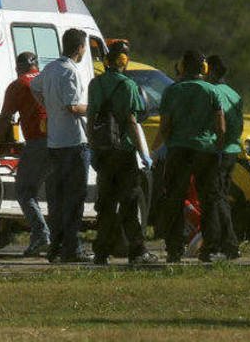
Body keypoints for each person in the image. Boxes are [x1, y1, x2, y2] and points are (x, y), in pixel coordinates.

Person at [87, 41, 157, 265]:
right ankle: (137, 250)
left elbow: (91, 118)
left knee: (106, 203)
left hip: (103, 152)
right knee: (130, 201)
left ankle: (101, 252)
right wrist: (143, 152)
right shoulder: (128, 86)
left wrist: (93, 146)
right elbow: (132, 121)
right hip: (124, 152)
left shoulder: (95, 84)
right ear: (123, 61)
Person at [153, 50, 225, 263]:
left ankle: (174, 249)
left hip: (179, 150)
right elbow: (220, 126)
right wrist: (218, 149)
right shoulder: (213, 91)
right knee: (209, 200)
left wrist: (158, 148)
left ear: (183, 67)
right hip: (206, 151)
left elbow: (165, 126)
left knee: (174, 199)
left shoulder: (172, 91)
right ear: (204, 69)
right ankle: (209, 249)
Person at [30, 28, 91, 263]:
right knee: (75, 197)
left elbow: (35, 87)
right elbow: (73, 107)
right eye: (84, 46)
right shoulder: (70, 71)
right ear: (79, 48)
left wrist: (48, 106)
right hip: (74, 141)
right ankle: (72, 248)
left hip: (55, 141)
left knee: (58, 197)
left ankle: (56, 246)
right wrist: (95, 108)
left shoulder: (50, 68)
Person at [0, 51, 50, 257]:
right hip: (62, 142)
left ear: (18, 67)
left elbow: (4, 119)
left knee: (24, 191)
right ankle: (53, 240)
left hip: (37, 142)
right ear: (36, 66)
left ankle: (42, 233)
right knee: (53, 192)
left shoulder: (18, 85)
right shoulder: (48, 80)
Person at [205, 54, 241, 260]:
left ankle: (227, 243)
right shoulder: (234, 93)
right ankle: (224, 243)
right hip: (232, 151)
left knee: (216, 198)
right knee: (223, 196)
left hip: (217, 151)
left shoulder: (211, 92)